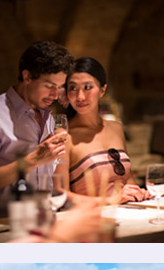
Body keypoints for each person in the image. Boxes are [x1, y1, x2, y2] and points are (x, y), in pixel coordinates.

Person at [0, 41, 74, 220]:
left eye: (59, 87)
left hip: (43, 223)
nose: (55, 95)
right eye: (49, 86)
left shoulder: (47, 115)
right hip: (0, 227)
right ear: (28, 76)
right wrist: (33, 160)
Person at [56, 57, 149, 203]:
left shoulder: (116, 128)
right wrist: (110, 200)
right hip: (92, 219)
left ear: (102, 90)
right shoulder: (64, 136)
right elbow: (60, 193)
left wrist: (138, 192)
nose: (80, 96)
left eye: (88, 87)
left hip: (127, 215)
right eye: (73, 88)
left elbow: (127, 178)